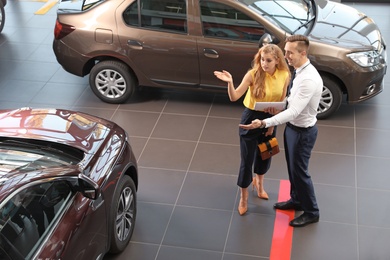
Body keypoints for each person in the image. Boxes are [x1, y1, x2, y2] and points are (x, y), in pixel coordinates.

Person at [239, 35, 322, 227]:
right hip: (294, 130)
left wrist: (264, 123)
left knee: (300, 172)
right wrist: (277, 106)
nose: (286, 56)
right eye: (285, 52)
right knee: (293, 169)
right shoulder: (299, 71)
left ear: (303, 53)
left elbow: (293, 112)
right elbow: (291, 102)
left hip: (303, 132)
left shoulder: (308, 79)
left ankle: (311, 211)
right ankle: (297, 199)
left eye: (290, 53)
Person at [214, 44, 290, 216]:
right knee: (247, 160)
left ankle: (259, 184)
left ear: (277, 60)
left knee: (266, 154)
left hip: (270, 119)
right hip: (250, 118)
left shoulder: (285, 75)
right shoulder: (253, 74)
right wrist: (230, 82)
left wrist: (273, 121)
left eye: (268, 60)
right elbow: (234, 97)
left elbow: (283, 101)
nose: (264, 63)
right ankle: (243, 197)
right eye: (262, 59)